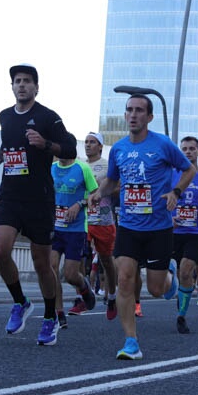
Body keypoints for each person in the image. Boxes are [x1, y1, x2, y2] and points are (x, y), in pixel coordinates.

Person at [89, 94, 196, 360]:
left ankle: (168, 274)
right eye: (129, 110)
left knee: (156, 290)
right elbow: (112, 181)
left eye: (139, 110)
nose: (133, 115)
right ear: (125, 115)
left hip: (158, 227)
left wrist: (176, 193)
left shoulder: (162, 144)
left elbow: (189, 170)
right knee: (124, 277)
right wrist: (98, 193)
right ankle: (131, 342)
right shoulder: (119, 149)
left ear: (149, 117)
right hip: (128, 224)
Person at [0, 63, 77, 347]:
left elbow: (71, 148)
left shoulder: (48, 117)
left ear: (36, 87)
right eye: (17, 81)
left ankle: (49, 317)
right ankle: (21, 302)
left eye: (27, 81)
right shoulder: (4, 116)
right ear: (12, 87)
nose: (21, 85)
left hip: (39, 198)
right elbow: (8, 143)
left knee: (41, 263)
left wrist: (46, 145)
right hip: (10, 195)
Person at [169, 136, 198, 333]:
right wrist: (168, 216)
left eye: (192, 149)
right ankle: (180, 292)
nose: (188, 152)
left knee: (187, 270)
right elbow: (161, 197)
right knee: (175, 272)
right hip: (173, 230)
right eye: (184, 149)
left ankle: (181, 315)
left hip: (196, 231)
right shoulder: (172, 174)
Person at [50, 153, 98, 328]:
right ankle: (58, 312)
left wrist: (79, 204)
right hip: (55, 228)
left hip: (76, 229)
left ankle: (84, 287)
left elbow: (95, 195)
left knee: (70, 275)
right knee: (51, 268)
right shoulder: (52, 169)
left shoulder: (82, 168)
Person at [83, 132, 118, 320]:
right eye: (86, 142)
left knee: (106, 261)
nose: (88, 145)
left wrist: (101, 189)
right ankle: (83, 292)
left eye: (92, 142)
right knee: (80, 255)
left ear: (100, 146)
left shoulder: (107, 166)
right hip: (84, 219)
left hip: (104, 219)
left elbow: (118, 186)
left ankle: (112, 295)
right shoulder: (79, 165)